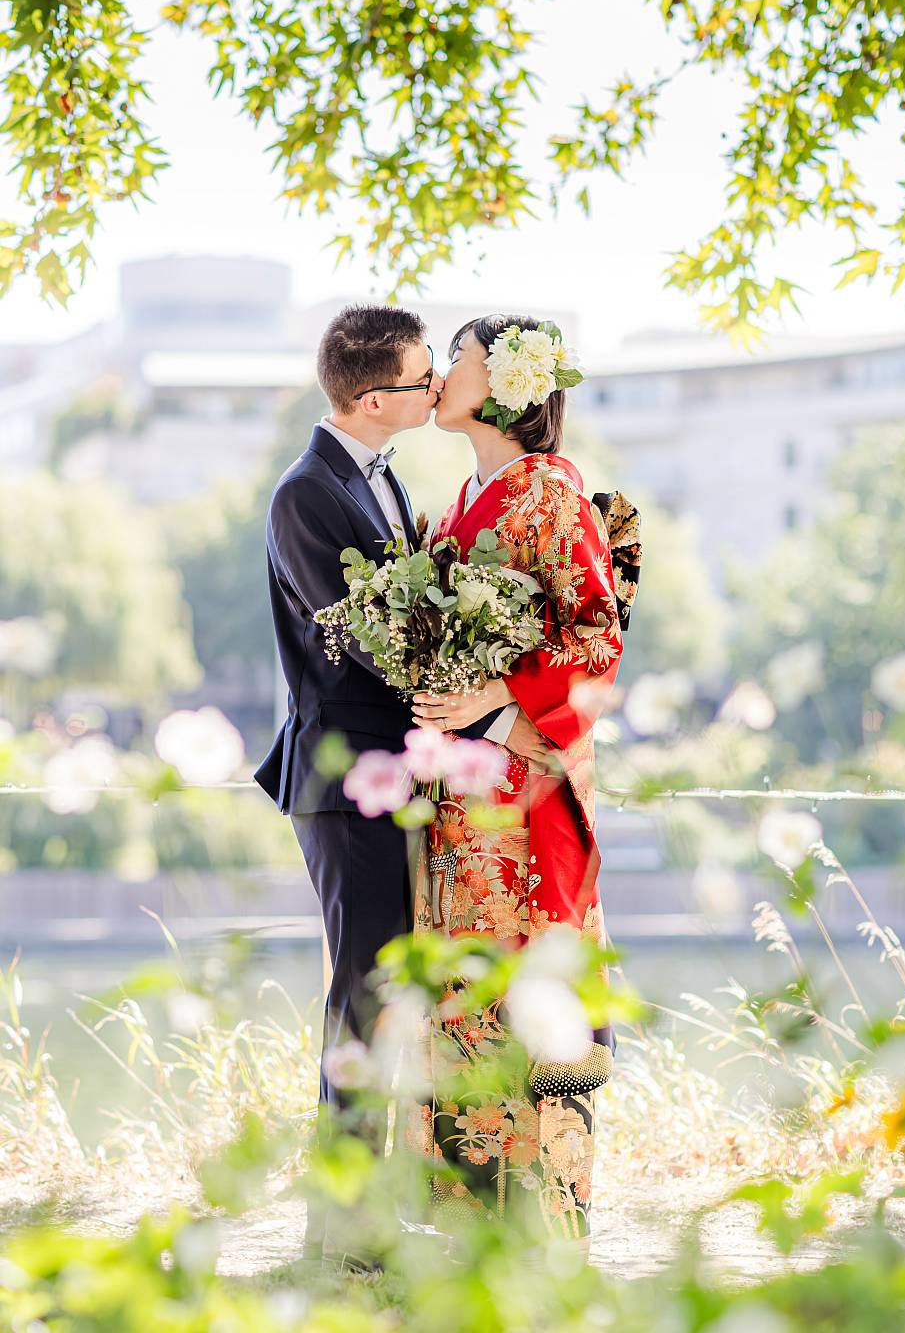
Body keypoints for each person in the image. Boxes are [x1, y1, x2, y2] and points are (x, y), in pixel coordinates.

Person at [254, 303, 554, 1264]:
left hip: (394, 778)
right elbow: (352, 641)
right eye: (425, 379)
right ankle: (340, 1229)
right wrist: (459, 674)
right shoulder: (306, 495)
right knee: (364, 997)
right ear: (375, 398)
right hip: (344, 783)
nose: (435, 390)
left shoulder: (383, 482)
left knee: (392, 996)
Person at [408, 314, 641, 1247]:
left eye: (455, 360)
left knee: (526, 995)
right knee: (464, 994)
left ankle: (543, 1234)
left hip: (521, 793)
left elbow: (595, 638)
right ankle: (472, 1237)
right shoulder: (465, 493)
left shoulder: (545, 491)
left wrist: (493, 696)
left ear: (502, 384)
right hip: (464, 800)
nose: (438, 377)